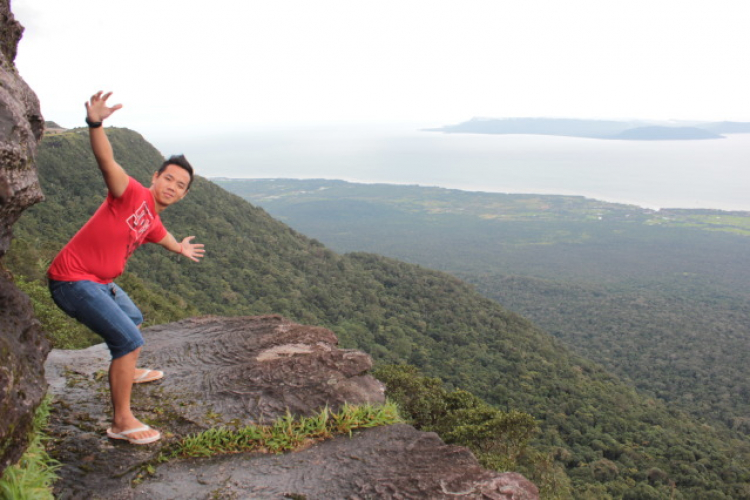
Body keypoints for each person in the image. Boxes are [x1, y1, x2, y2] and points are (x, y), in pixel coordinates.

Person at [47, 91, 205, 445]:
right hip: (72, 281)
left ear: (183, 195)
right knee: (129, 339)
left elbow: (160, 234)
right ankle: (121, 421)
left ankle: (126, 371)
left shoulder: (151, 218)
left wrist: (179, 247)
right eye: (169, 179)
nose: (172, 187)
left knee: (132, 316)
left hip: (99, 282)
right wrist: (95, 123)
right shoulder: (130, 193)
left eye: (180, 186)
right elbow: (107, 161)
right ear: (155, 177)